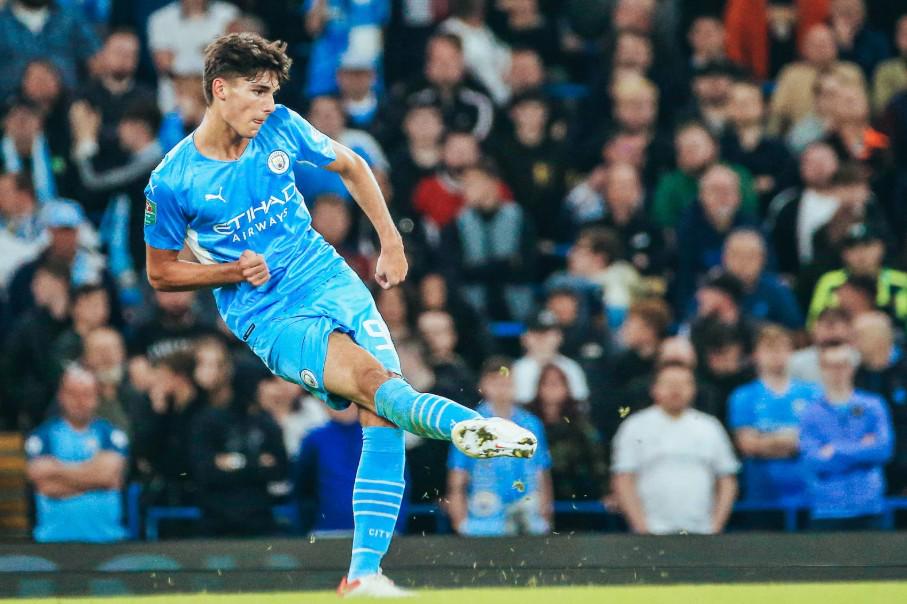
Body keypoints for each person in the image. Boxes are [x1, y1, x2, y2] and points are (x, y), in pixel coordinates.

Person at [142, 33, 536, 597]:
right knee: (376, 385)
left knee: (384, 412)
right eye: (257, 91)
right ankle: (464, 427)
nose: (269, 104)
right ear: (220, 89)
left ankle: (363, 575)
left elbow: (352, 165)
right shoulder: (173, 179)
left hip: (328, 276)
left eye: (273, 92)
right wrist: (229, 271)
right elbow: (161, 273)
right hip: (270, 314)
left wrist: (391, 241)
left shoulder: (279, 126)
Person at [612, 362, 740, 535]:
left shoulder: (710, 426)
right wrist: (642, 527)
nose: (676, 390)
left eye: (683, 384)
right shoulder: (634, 426)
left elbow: (727, 479)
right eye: (669, 383)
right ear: (654, 388)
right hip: (651, 530)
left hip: (702, 531)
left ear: (694, 389)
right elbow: (624, 479)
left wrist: (715, 526)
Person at [446, 357, 552, 537]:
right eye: (495, 383)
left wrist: (545, 518)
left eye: (507, 382)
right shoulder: (469, 426)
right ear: (483, 385)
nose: (502, 389)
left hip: (528, 520)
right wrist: (460, 524)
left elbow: (541, 473)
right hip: (483, 522)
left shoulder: (532, 424)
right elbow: (457, 476)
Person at [25, 366, 128, 542]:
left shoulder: (111, 435)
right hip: (53, 541)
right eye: (73, 394)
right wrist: (94, 477)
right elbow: (44, 485)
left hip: (106, 539)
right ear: (61, 396)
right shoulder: (42, 436)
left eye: (86, 394)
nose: (80, 401)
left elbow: (108, 476)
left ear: (97, 397)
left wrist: (56, 471)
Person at [801, 342, 893, 530]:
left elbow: (883, 449)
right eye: (831, 366)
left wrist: (835, 450)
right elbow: (813, 460)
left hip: (869, 507)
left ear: (852, 368)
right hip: (827, 509)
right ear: (822, 369)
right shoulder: (810, 413)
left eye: (842, 365)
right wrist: (861, 447)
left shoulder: (873, 405)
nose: (837, 372)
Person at [728, 325, 818, 505]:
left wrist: (766, 440)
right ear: (756, 354)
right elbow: (748, 444)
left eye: (782, 347)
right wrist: (789, 439)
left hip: (806, 489)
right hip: (762, 488)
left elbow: (815, 440)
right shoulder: (744, 396)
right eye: (769, 348)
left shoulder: (812, 393)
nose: (776, 354)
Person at [807, 222, 907, 329]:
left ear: (881, 247)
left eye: (867, 245)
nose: (860, 254)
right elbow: (814, 324)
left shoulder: (901, 282)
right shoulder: (831, 282)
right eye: (852, 247)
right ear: (843, 253)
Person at [851, 312, 907, 495]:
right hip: (867, 473)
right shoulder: (853, 376)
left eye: (858, 336)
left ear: (879, 338)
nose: (852, 343)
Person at [721, 229, 803, 329]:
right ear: (724, 258)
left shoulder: (777, 290)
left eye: (750, 256)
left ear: (762, 259)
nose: (742, 262)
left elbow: (797, 331)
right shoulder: (713, 291)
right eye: (736, 255)